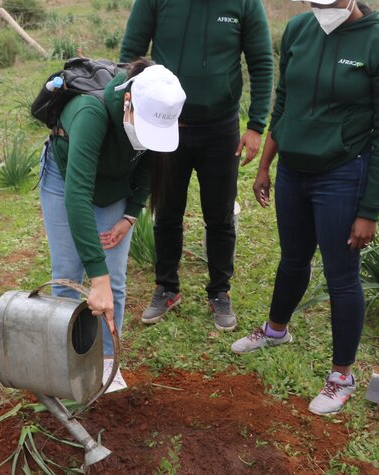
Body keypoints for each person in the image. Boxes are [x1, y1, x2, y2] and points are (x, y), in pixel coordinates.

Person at [230, 0, 379, 416]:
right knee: (292, 259)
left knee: (341, 275)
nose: (321, 8)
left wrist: (369, 210)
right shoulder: (297, 31)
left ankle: (341, 376)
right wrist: (268, 163)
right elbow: (284, 100)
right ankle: (276, 330)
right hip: (294, 169)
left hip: (343, 174)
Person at [120, 0, 274, 331]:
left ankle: (220, 291)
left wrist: (256, 125)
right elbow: (130, 53)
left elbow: (261, 62)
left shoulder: (245, 3)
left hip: (221, 129)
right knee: (166, 211)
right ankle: (166, 288)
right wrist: (131, 106)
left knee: (219, 216)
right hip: (166, 126)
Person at [40, 61, 186, 392]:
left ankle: (107, 361)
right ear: (127, 102)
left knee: (114, 280)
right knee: (68, 274)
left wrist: (130, 215)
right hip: (65, 179)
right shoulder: (90, 114)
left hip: (115, 185)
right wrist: (97, 277)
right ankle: (69, 362)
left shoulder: (160, 113)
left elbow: (151, 167)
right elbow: (76, 197)